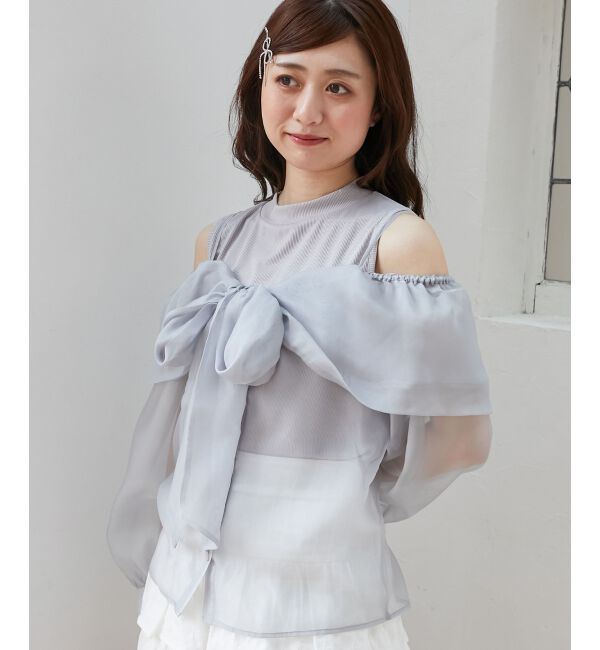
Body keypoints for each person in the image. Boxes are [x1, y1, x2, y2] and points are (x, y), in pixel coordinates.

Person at [106, 1, 494, 648]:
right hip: (185, 592)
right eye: (288, 79)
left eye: (339, 87)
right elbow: (189, 424)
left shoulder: (397, 246)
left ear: (379, 106)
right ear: (260, 83)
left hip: (312, 603)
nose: (307, 111)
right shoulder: (217, 243)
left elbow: (456, 439)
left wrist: (335, 501)